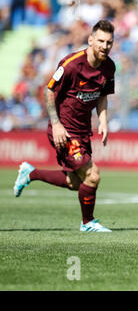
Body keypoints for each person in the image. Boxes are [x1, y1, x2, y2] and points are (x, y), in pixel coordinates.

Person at [13, 20, 116, 232]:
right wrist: (56, 124)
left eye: (109, 42)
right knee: (92, 176)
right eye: (100, 41)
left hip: (83, 131)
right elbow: (48, 91)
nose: (105, 46)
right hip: (64, 131)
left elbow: (103, 96)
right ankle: (88, 223)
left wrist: (104, 120)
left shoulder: (109, 67)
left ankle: (31, 173)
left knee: (76, 184)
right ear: (90, 40)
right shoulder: (71, 64)